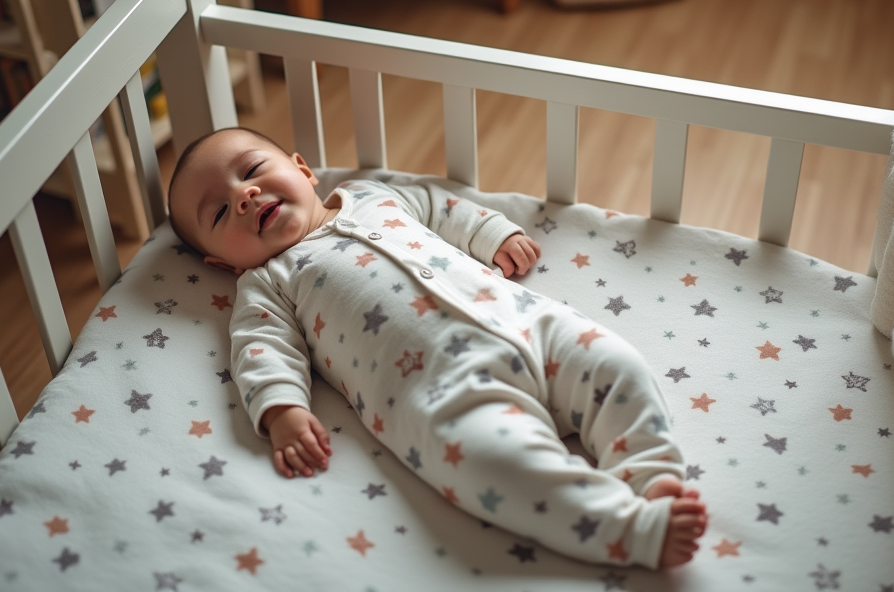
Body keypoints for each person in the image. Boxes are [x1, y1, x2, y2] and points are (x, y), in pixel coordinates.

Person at [168, 127, 708, 569]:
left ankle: (651, 472)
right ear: (222, 263)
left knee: (616, 363)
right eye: (217, 214)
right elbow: (260, 347)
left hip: (530, 326)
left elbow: (439, 206)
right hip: (444, 395)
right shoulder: (266, 283)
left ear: (303, 169)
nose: (243, 195)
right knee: (496, 466)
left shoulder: (372, 196)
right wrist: (282, 409)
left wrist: (491, 232)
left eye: (254, 170)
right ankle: (630, 528)